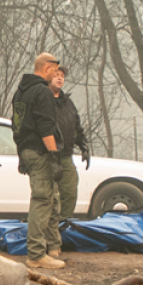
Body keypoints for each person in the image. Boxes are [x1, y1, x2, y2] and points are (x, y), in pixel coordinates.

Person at [12, 52, 65, 270]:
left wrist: (21, 152)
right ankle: (36, 253)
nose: (56, 73)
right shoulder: (42, 92)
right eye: (54, 69)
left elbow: (16, 125)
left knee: (51, 198)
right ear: (46, 68)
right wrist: (54, 156)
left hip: (26, 149)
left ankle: (53, 248)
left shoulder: (20, 93)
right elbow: (46, 127)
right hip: (41, 152)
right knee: (43, 200)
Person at [50, 66, 91, 221]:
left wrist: (84, 146)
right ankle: (50, 229)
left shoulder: (68, 103)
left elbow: (77, 126)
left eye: (62, 76)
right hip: (48, 156)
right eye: (56, 75)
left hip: (67, 156)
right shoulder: (43, 101)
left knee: (70, 192)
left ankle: (64, 225)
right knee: (50, 197)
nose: (60, 78)